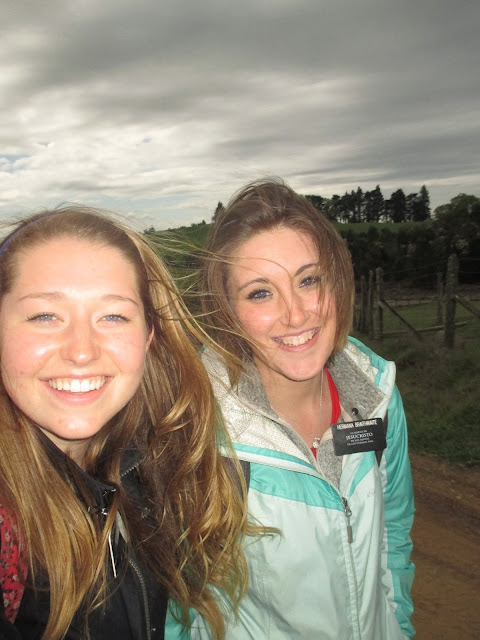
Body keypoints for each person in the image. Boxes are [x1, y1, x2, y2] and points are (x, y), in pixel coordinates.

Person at [0, 206, 249, 640]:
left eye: (113, 316)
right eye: (45, 316)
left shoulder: (157, 462)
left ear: (148, 336)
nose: (81, 351)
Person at [197, 179, 415, 639]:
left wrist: (398, 626)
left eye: (308, 280)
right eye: (260, 292)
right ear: (226, 311)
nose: (296, 315)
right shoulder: (197, 431)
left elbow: (394, 535)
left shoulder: (377, 397)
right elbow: (183, 602)